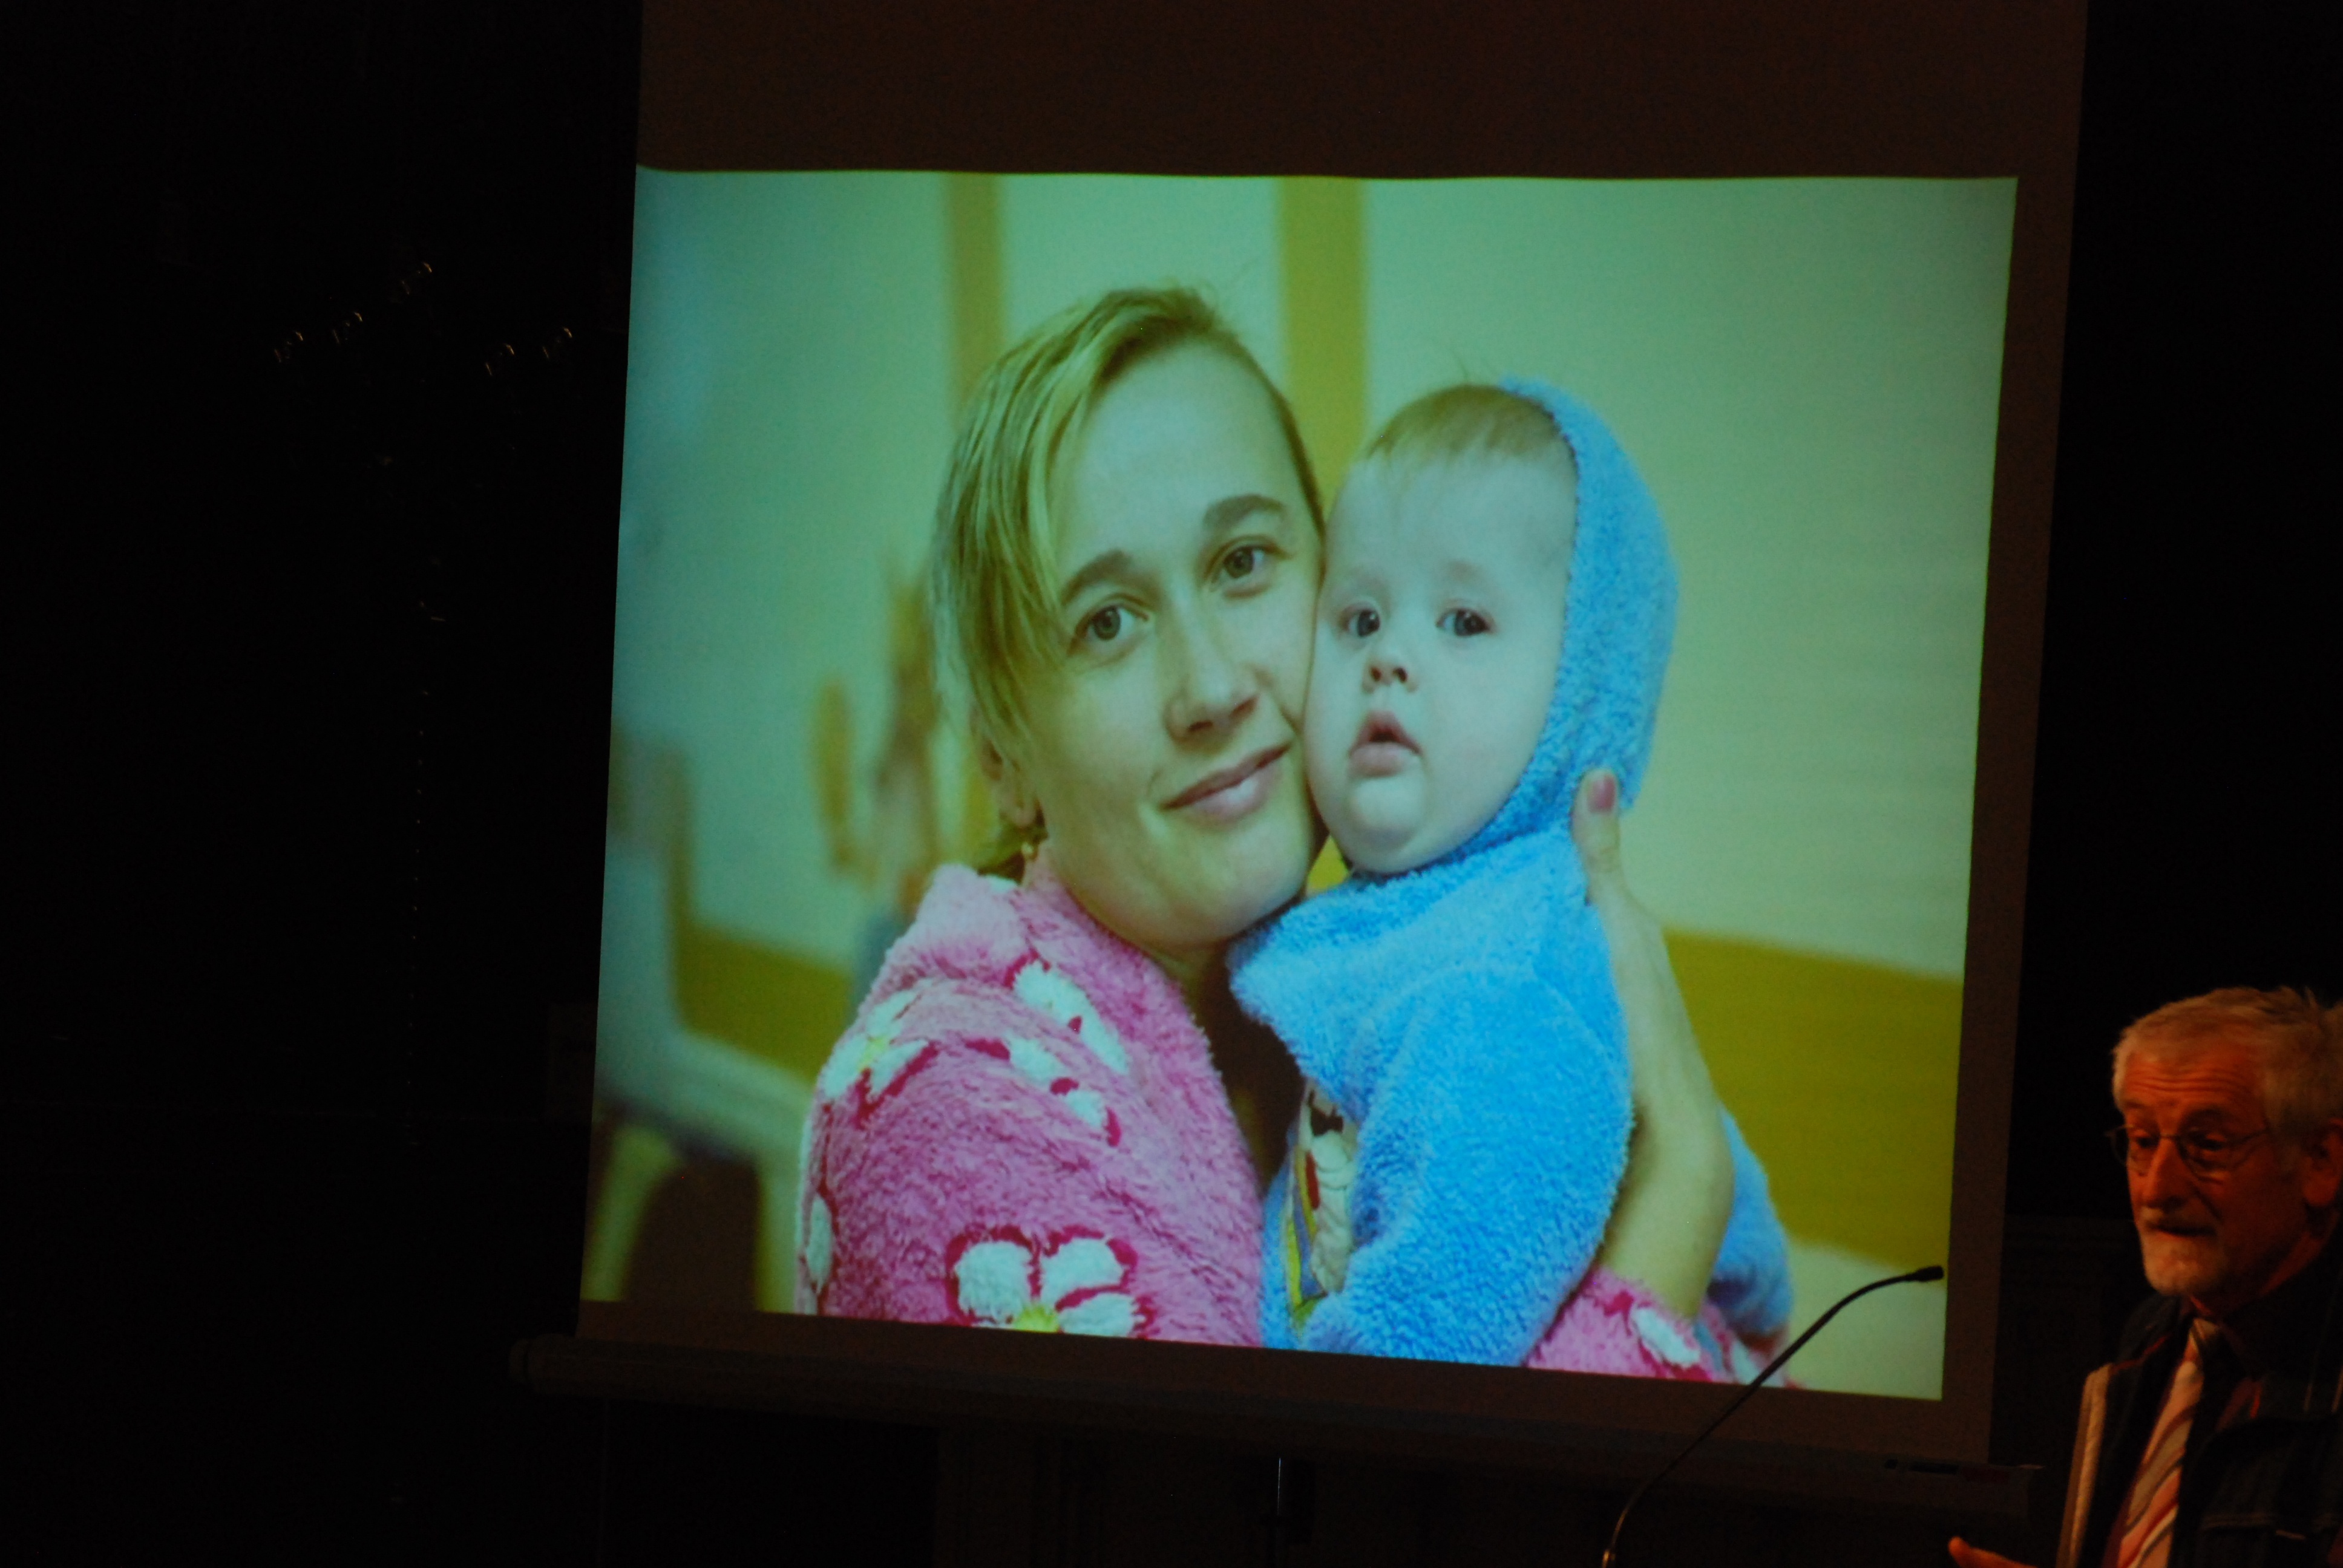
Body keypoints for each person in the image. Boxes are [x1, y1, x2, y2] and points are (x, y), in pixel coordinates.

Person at [795, 286, 1747, 1376]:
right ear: (1002, 758)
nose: (1210, 687)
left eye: (1242, 561)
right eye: (1106, 623)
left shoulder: (1361, 988)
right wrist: (1677, 1210)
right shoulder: (946, 1104)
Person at [1232, 381, 1789, 1373]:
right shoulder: (1424, 927)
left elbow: (1430, 1360)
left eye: (1463, 620)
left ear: (1582, 692)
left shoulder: (1499, 990)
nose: (1390, 657)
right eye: (1358, 617)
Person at [1950, 987, 2343, 1568]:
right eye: (2142, 1141)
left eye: (2207, 1145)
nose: (2157, 1189)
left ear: (2320, 1161)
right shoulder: (2153, 1340)